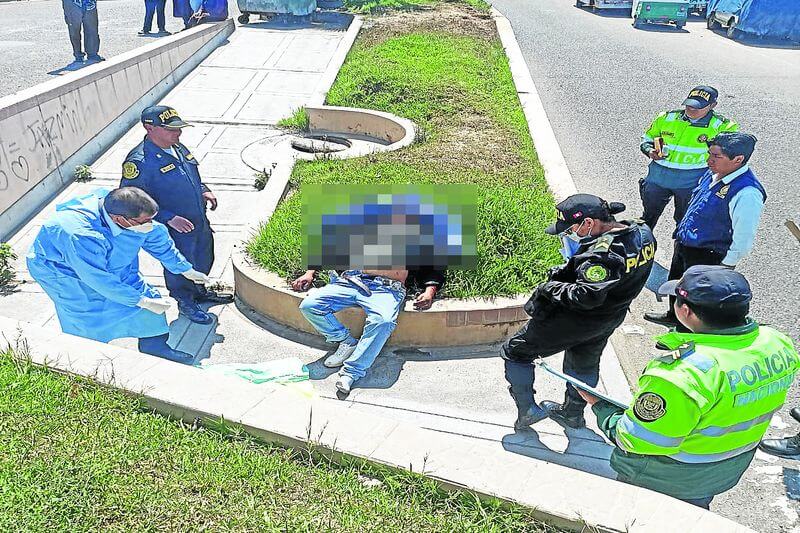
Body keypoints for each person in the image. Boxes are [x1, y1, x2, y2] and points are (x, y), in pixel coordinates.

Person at [579, 266, 799, 509]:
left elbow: (636, 441)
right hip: (726, 468)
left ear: (685, 311)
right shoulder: (777, 343)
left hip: (667, 477)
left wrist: (600, 406)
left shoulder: (682, 375)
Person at [503, 194, 655, 430]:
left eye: (571, 228)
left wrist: (550, 286)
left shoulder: (602, 254)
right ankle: (572, 415)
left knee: (515, 352)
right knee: (583, 366)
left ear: (589, 223)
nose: (568, 233)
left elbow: (586, 296)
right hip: (611, 317)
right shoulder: (642, 233)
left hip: (573, 320)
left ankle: (528, 411)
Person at [26, 187, 212, 363]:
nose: (150, 225)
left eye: (151, 219)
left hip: (112, 260)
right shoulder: (79, 233)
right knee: (87, 313)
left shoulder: (129, 212)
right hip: (63, 272)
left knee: (146, 297)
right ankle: (88, 360)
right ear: (119, 220)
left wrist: (184, 269)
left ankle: (157, 349)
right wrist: (140, 301)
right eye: (144, 222)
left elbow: (157, 239)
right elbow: (97, 278)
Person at [120, 105, 232, 326]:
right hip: (174, 226)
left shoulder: (176, 147)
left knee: (203, 256)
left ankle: (199, 292)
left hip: (198, 218)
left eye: (179, 129)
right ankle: (185, 300)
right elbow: (133, 200)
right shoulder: (139, 161)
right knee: (180, 264)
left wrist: (204, 190)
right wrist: (168, 217)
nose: (178, 133)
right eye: (171, 129)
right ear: (149, 128)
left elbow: (191, 174)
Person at [645, 132, 765, 327]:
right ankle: (673, 317)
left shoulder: (747, 192)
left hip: (708, 255)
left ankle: (685, 335)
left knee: (697, 302)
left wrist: (725, 265)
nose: (709, 160)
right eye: (709, 154)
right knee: (678, 285)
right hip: (686, 244)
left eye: (716, 156)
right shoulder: (712, 173)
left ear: (738, 159)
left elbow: (744, 236)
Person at [292, 268, 445, 395]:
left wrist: (430, 291)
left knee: (384, 321)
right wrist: (309, 272)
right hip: (349, 282)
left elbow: (432, 266)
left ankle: (351, 372)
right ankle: (346, 342)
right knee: (310, 305)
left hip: (387, 288)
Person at [639, 86, 738, 231]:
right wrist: (650, 151)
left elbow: (729, 158)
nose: (691, 109)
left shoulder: (723, 127)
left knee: (685, 225)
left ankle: (679, 253)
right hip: (657, 180)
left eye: (698, 107)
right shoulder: (666, 118)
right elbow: (647, 139)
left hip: (691, 184)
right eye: (689, 105)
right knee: (646, 221)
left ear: (712, 106)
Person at [61, 0, 104, 69]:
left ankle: (92, 53)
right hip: (71, 3)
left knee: (92, 28)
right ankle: (78, 55)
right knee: (74, 29)